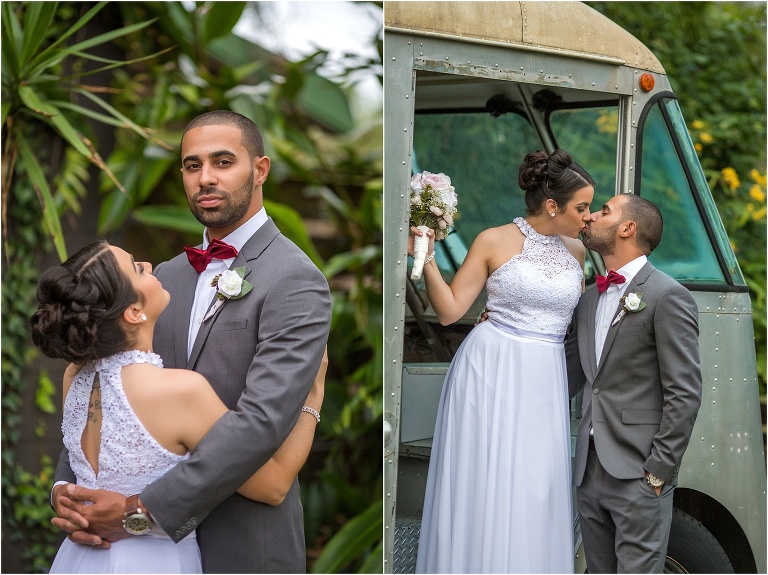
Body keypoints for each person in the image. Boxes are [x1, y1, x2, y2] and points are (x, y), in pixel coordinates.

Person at [50, 111, 332, 573]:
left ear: (259, 170)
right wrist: (68, 493)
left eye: (223, 162)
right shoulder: (163, 279)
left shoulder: (296, 281)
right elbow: (105, 397)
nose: (206, 178)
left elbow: (259, 424)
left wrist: (138, 511)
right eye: (192, 165)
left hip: (242, 543)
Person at [30, 240, 326, 573]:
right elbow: (272, 485)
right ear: (133, 312)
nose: (149, 264)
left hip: (81, 559)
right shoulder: (182, 391)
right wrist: (311, 401)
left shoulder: (75, 377)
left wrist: (62, 493)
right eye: (137, 268)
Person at [412, 149, 595, 573]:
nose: (587, 216)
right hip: (491, 368)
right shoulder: (493, 240)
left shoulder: (578, 252)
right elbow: (450, 311)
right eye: (582, 207)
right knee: (484, 483)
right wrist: (426, 256)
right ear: (553, 206)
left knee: (536, 487)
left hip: (544, 378)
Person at [565, 193, 702, 573]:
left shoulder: (667, 296)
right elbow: (571, 376)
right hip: (588, 470)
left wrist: (659, 469)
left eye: (604, 211)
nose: (591, 217)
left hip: (639, 472)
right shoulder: (589, 300)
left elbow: (685, 392)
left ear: (628, 228)